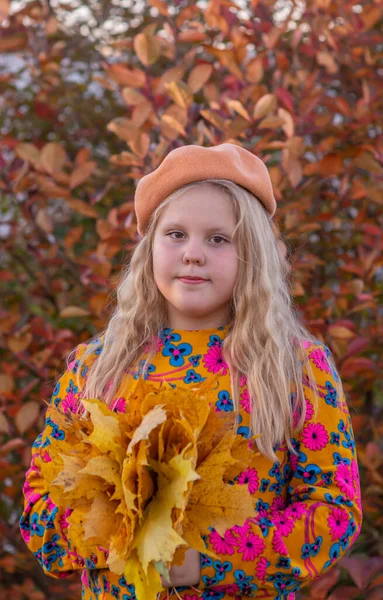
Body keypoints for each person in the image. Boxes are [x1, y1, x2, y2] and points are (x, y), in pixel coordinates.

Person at [19, 143, 362, 600]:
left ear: (253, 254)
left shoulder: (295, 369)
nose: (193, 254)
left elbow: (333, 511)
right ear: (149, 249)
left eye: (218, 239)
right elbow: (41, 507)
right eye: (176, 234)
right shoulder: (97, 367)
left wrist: (209, 559)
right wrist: (126, 542)